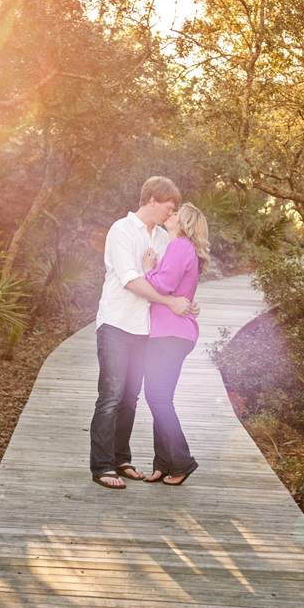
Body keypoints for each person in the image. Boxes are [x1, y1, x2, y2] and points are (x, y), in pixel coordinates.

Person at [90, 177, 197, 489]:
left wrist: (188, 302)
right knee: (110, 397)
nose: (171, 211)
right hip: (116, 323)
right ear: (153, 199)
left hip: (146, 330)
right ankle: (102, 466)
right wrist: (169, 302)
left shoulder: (164, 237)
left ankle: (121, 459)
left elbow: (167, 279)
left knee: (129, 399)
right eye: (170, 206)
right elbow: (132, 280)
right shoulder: (121, 230)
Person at [142, 202, 210, 486]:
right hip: (172, 333)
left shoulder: (180, 246)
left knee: (156, 398)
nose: (171, 213)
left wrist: (148, 269)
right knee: (161, 398)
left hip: (170, 334)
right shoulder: (180, 248)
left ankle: (182, 462)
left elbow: (163, 285)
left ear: (185, 223)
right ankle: (163, 463)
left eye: (177, 212)